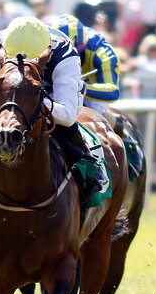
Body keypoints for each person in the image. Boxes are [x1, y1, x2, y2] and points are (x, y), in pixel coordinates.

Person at [0, 16, 106, 203]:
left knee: (63, 122)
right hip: (15, 91)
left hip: (52, 92)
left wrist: (32, 101)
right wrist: (18, 100)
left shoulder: (65, 55)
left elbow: (67, 115)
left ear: (46, 54)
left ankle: (88, 164)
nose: (22, 61)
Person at [52, 14, 143, 180]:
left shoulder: (101, 50)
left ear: (78, 42)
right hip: (62, 87)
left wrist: (81, 87)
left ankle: (122, 136)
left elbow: (112, 91)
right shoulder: (49, 45)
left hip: (90, 92)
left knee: (90, 110)